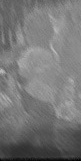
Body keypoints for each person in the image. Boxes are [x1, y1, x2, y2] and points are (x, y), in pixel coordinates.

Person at [13, 9, 60, 152]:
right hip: (49, 108)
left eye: (26, 33)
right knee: (48, 146)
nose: (25, 36)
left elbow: (22, 76)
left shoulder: (31, 54)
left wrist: (13, 65)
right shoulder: (53, 54)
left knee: (20, 144)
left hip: (36, 109)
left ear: (32, 34)